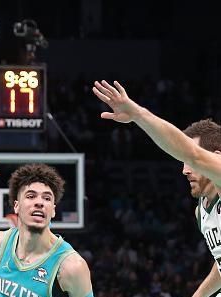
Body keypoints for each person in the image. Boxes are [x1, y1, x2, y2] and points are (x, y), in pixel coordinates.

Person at [92, 80, 221, 297]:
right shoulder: (202, 210)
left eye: (191, 165)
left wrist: (138, 115)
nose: (185, 171)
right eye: (183, 164)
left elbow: (192, 153)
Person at [0, 163, 94, 297]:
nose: (39, 202)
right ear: (16, 206)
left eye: (47, 198)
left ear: (53, 210)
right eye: (31, 196)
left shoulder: (71, 267)